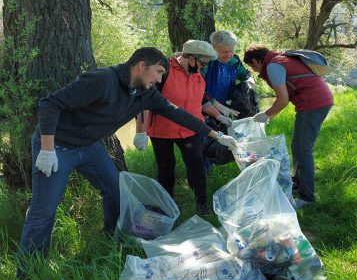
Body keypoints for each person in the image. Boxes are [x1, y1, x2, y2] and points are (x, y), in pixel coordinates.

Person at [18, 47, 237, 263]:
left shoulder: (145, 92)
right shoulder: (102, 80)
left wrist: (216, 135)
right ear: (142, 66)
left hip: (90, 146)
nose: (161, 80)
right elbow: (50, 103)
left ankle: (112, 239)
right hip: (57, 146)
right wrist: (47, 149)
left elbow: (178, 113)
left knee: (115, 190)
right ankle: (28, 273)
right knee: (44, 209)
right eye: (159, 72)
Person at [134, 40, 230, 215]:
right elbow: (144, 100)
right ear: (191, 58)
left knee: (196, 166)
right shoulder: (164, 71)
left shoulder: (198, 76)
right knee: (165, 168)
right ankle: (166, 207)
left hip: (190, 130)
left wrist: (220, 116)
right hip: (162, 130)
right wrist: (140, 132)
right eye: (202, 63)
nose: (203, 67)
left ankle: (202, 206)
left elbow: (201, 101)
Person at [243, 44, 333, 209]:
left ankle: (307, 197)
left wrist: (266, 115)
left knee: (303, 148)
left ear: (256, 61)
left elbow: (282, 100)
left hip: (313, 104)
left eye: (252, 66)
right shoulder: (281, 59)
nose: (255, 71)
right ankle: (298, 184)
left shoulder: (273, 66)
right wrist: (269, 114)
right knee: (298, 146)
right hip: (317, 100)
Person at [202, 30, 256, 118]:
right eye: (224, 52)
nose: (228, 55)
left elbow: (245, 75)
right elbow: (198, 89)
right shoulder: (206, 62)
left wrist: (250, 83)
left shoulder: (234, 61)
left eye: (231, 51)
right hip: (206, 109)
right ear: (213, 48)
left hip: (229, 108)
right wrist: (217, 105)